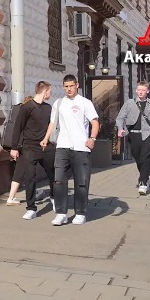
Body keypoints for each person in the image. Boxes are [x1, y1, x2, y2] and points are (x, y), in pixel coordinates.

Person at [41, 74, 99, 226]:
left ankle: (80, 213)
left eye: (71, 86)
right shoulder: (59, 103)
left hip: (81, 147)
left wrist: (92, 139)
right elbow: (52, 123)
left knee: (81, 182)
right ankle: (61, 213)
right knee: (59, 180)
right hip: (62, 146)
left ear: (77, 85)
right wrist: (46, 138)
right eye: (66, 87)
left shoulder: (85, 102)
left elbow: (95, 122)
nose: (69, 89)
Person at [9, 81, 56, 220]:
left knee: (53, 174)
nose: (50, 94)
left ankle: (54, 197)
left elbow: (51, 125)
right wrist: (14, 147)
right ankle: (31, 208)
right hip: (29, 147)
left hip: (46, 147)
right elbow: (17, 127)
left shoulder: (48, 108)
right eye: (50, 91)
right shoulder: (27, 107)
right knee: (30, 177)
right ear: (45, 91)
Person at [116, 81, 150, 196]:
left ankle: (143, 182)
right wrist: (120, 129)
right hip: (133, 135)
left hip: (148, 135)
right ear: (136, 90)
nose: (140, 92)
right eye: (139, 90)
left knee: (146, 158)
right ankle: (145, 177)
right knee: (138, 158)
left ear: (147, 91)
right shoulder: (129, 103)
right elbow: (120, 117)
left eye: (143, 90)